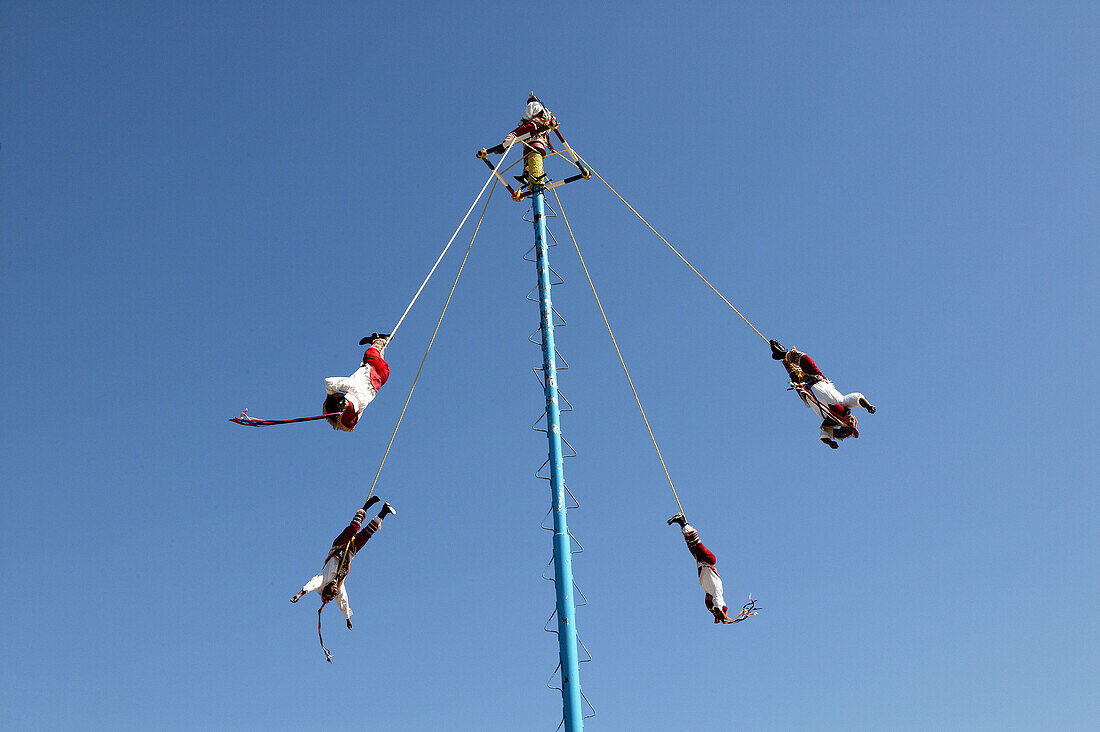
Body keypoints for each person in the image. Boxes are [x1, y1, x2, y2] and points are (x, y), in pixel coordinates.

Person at [291, 496, 397, 629]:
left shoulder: (325, 577)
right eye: (335, 593)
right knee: (366, 535)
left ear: (327, 589)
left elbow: (314, 583)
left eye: (332, 591)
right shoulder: (339, 586)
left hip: (339, 546)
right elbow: (343, 602)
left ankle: (365, 508)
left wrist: (300, 594)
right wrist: (348, 619)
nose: (335, 590)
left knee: (354, 528)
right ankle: (384, 511)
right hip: (350, 552)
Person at [770, 339, 876, 449]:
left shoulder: (828, 421)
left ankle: (783, 356)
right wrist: (868, 406)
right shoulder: (845, 403)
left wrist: (830, 443)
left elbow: (825, 436)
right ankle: (783, 354)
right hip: (817, 379)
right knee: (806, 360)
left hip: (806, 391)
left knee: (794, 374)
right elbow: (858, 397)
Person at [667, 513, 736, 623]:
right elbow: (718, 602)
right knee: (695, 542)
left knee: (691, 544)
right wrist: (722, 615)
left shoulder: (708, 590)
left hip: (701, 562)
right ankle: (682, 521)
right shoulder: (716, 592)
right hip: (708, 561)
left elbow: (715, 606)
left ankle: (681, 521)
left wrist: (718, 615)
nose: (706, 599)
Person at [323, 333, 391, 432]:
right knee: (371, 353)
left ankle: (378, 341)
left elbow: (353, 420)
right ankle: (379, 340)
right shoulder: (352, 387)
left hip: (382, 378)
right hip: (374, 369)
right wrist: (332, 395)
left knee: (378, 357)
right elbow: (329, 382)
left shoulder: (361, 406)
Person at [502, 94, 557, 186]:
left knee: (515, 133)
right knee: (529, 158)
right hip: (541, 138)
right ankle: (526, 175)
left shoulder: (534, 104)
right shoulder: (549, 113)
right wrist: (551, 147)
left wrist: (522, 123)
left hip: (533, 128)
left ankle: (507, 141)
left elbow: (527, 116)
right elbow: (550, 129)